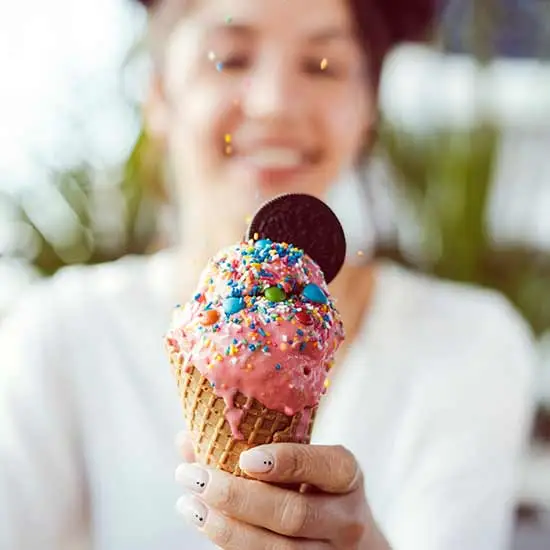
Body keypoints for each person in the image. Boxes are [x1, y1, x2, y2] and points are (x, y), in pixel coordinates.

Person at [0, 0, 537, 548]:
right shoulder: (59, 333)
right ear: (160, 96)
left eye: (320, 65)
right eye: (230, 59)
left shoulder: (472, 343)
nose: (276, 103)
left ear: (368, 103)